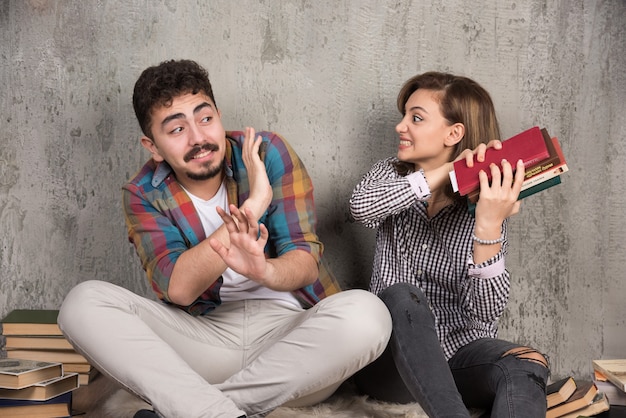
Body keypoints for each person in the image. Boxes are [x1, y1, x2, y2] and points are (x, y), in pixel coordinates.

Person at [58, 59, 392, 418]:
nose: (198, 138)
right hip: (204, 338)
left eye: (205, 119)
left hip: (291, 346)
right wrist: (252, 207)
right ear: (152, 146)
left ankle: (196, 406)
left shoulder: (267, 152)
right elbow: (179, 289)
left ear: (218, 115)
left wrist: (265, 271)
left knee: (368, 314)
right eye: (176, 129)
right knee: (82, 303)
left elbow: (305, 262)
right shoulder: (143, 193)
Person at [350, 72, 550, 417]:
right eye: (404, 116)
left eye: (415, 118)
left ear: (454, 133)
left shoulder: (487, 201)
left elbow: (485, 313)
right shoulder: (389, 174)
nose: (400, 127)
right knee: (401, 295)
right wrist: (449, 171)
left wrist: (489, 222)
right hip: (389, 363)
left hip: (458, 358)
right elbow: (361, 207)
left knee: (526, 363)